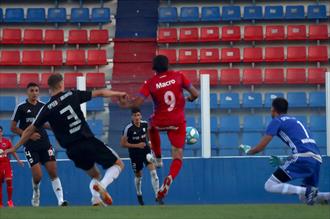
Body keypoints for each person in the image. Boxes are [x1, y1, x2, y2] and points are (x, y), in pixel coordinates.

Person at [5, 73, 126, 206]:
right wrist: (118, 93)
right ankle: (102, 186)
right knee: (118, 164)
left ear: (49, 88)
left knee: (95, 175)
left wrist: (15, 147)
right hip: (86, 140)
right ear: (62, 83)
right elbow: (100, 93)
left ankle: (95, 199)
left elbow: (29, 130)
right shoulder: (71, 95)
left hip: (72, 150)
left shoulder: (46, 108)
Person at [118, 55, 199, 203]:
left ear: (154, 68)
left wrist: (125, 104)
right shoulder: (179, 76)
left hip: (160, 120)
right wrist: (190, 99)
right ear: (168, 65)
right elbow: (195, 94)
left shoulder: (151, 83)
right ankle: (170, 178)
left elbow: (137, 103)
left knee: (150, 127)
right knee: (178, 156)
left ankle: (159, 158)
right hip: (178, 122)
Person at [239, 97, 330, 205]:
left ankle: (308, 191)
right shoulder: (295, 120)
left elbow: (260, 148)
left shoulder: (276, 121)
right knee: (305, 198)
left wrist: (248, 151)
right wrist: (284, 160)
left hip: (303, 158)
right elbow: (304, 146)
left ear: (273, 109)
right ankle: (325, 196)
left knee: (270, 185)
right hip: (316, 159)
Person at [11, 82, 68, 207]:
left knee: (53, 172)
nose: (34, 93)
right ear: (27, 92)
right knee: (38, 176)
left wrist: (55, 128)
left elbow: (45, 124)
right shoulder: (21, 107)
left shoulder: (44, 106)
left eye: (37, 90)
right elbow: (13, 128)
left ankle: (61, 200)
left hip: (45, 144)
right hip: (30, 146)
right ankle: (36, 192)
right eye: (32, 90)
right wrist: (29, 135)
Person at [121, 108, 160, 205]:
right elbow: (123, 144)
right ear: (132, 117)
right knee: (139, 176)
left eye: (138, 115)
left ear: (141, 116)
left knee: (154, 174)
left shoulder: (145, 124)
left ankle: (158, 195)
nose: (137, 117)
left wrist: (150, 142)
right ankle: (139, 193)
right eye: (135, 116)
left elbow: (148, 134)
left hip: (146, 152)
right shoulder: (128, 129)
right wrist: (137, 145)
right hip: (135, 155)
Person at [0, 126, 24, 207]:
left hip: (6, 164)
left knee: (9, 181)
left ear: (2, 132)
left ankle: (10, 201)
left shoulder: (7, 141)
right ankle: (0, 203)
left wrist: (18, 160)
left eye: (0, 131)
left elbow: (13, 151)